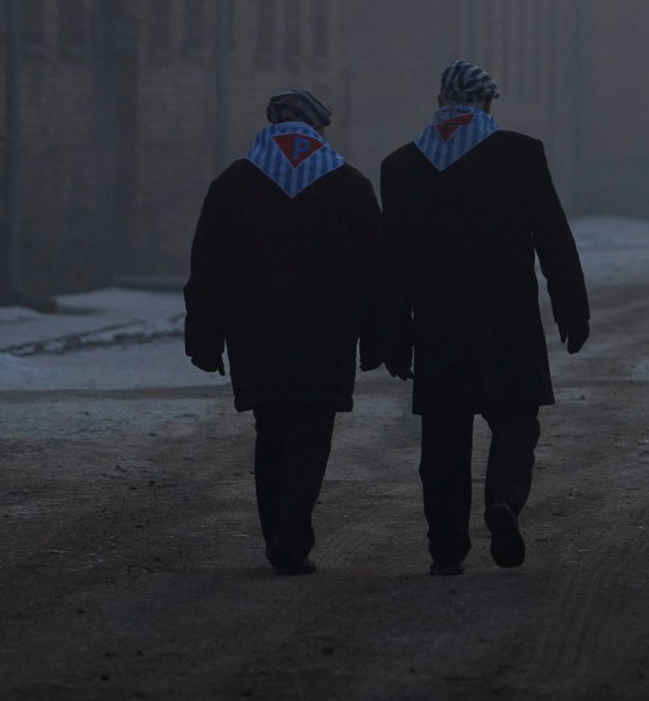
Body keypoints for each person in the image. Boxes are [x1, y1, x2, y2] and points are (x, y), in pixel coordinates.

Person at [378, 60, 589, 575]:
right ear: (487, 103)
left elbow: (392, 262)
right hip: (507, 321)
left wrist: (393, 334)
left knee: (444, 442)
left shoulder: (402, 165)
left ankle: (447, 548)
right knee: (516, 423)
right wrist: (571, 307)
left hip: (438, 326)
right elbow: (552, 238)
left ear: (441, 100)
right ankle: (503, 502)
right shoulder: (520, 154)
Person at [184, 88, 381, 575]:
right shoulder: (348, 185)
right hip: (326, 336)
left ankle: (278, 532)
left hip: (256, 336)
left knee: (271, 432)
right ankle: (292, 535)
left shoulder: (233, 183)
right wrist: (381, 336)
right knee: (312, 434)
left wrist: (204, 338)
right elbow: (377, 270)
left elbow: (208, 269)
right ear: (317, 129)